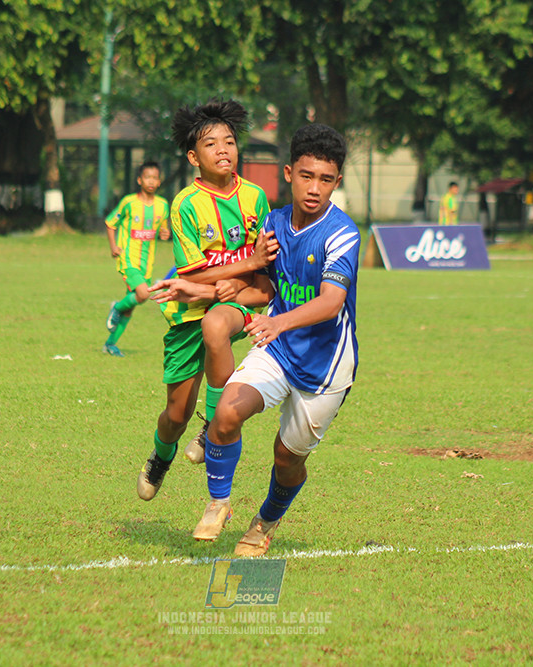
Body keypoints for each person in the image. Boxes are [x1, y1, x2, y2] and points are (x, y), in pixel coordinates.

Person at [151, 123, 359, 556]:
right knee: (225, 411)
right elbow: (263, 289)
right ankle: (218, 502)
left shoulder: (343, 233)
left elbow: (330, 303)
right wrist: (205, 291)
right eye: (306, 176)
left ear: (337, 182)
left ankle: (265, 519)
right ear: (288, 173)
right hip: (278, 349)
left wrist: (277, 323)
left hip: (324, 366)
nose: (315, 188)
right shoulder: (273, 222)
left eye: (325, 179)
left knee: (287, 459)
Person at [135, 99, 275, 501]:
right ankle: (162, 455)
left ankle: (213, 424)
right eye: (212, 144)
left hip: (234, 303)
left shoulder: (256, 198)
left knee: (218, 326)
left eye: (229, 141)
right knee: (174, 414)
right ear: (194, 157)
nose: (223, 150)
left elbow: (264, 266)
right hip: (186, 312)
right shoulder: (184, 204)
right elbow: (192, 275)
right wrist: (241, 268)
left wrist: (241, 282)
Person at [103, 161, 171, 357]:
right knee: (143, 294)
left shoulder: (163, 205)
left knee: (130, 308)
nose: (151, 181)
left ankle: (110, 344)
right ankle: (115, 306)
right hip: (128, 259)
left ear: (159, 182)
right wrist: (113, 246)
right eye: (147, 177)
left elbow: (163, 229)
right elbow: (110, 223)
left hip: (147, 264)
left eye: (155, 177)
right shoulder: (129, 202)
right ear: (140, 180)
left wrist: (165, 234)